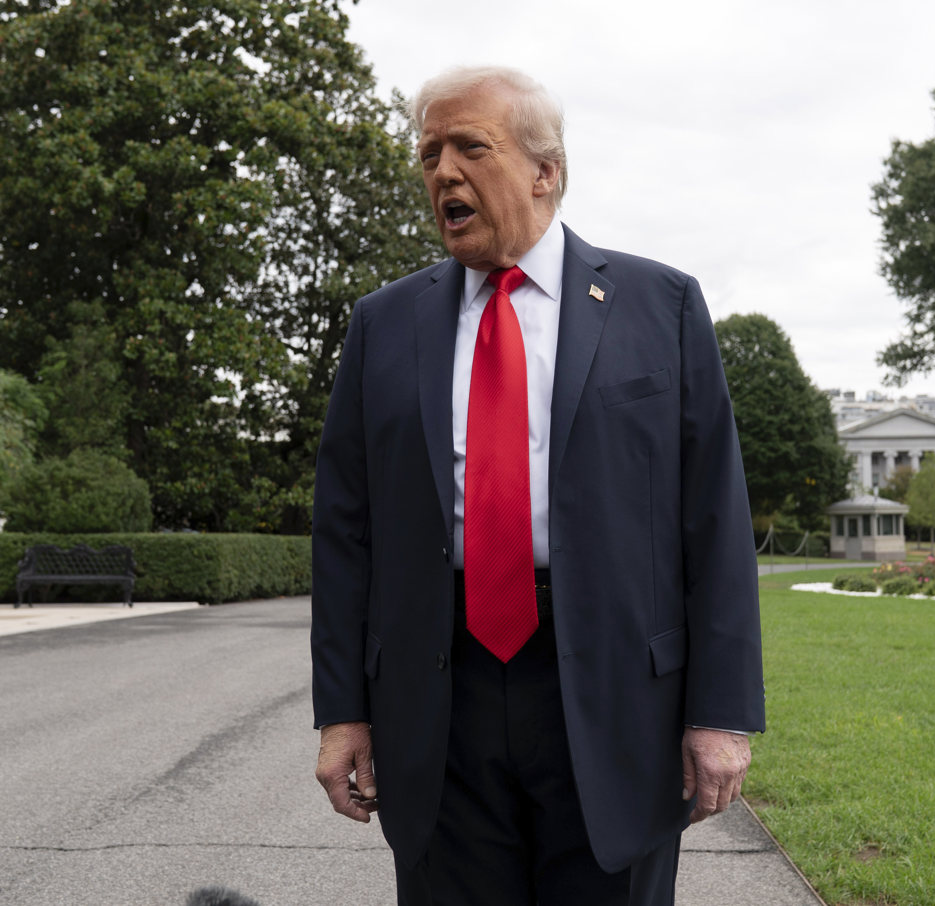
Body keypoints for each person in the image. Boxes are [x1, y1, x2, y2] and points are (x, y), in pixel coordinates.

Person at [311, 65, 764, 905]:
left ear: (544, 170)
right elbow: (346, 531)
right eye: (428, 153)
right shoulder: (384, 325)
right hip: (440, 694)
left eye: (470, 148)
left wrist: (721, 714)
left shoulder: (660, 305)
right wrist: (344, 714)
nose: (442, 171)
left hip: (617, 692)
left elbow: (715, 519)